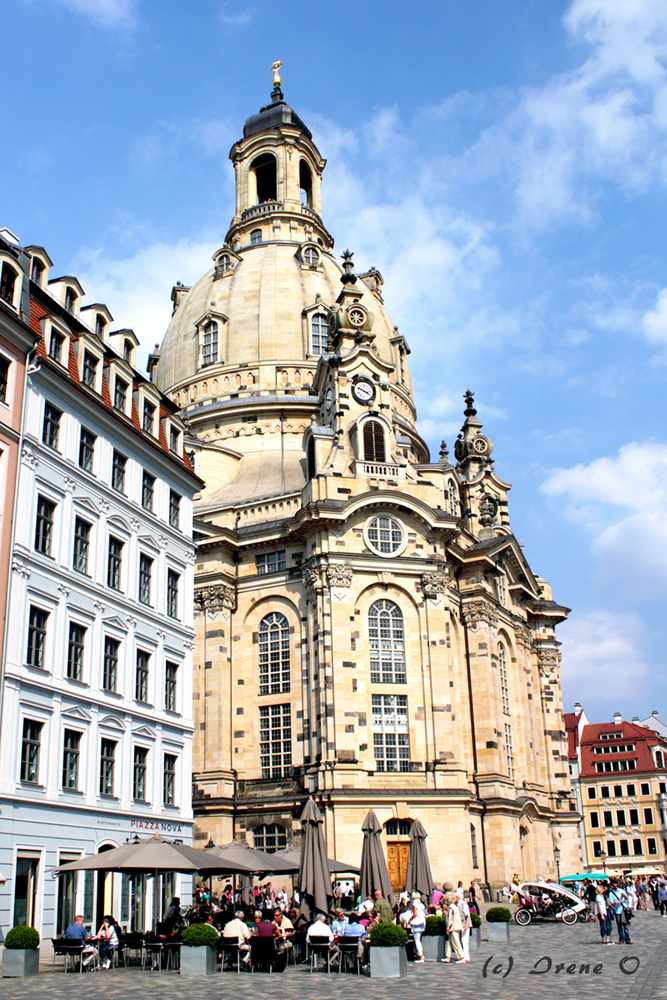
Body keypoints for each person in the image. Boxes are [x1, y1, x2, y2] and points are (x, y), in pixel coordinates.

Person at [442, 893, 465, 963]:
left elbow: (451, 919)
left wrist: (448, 927)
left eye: (446, 900)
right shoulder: (454, 906)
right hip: (455, 927)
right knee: (449, 942)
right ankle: (447, 956)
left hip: (454, 927)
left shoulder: (451, 908)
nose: (446, 901)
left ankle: (461, 957)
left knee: (455, 942)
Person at [408, 891, 426, 963]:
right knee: (419, 940)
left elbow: (415, 914)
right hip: (422, 923)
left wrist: (410, 920)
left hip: (417, 924)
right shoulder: (421, 904)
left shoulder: (415, 904)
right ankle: (420, 954)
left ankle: (421, 956)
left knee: (417, 941)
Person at [458, 892, 472, 963]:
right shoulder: (457, 904)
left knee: (465, 941)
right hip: (460, 925)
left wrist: (467, 925)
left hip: (465, 925)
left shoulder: (463, 904)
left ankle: (465, 956)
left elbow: (468, 915)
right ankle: (465, 956)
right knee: (462, 940)